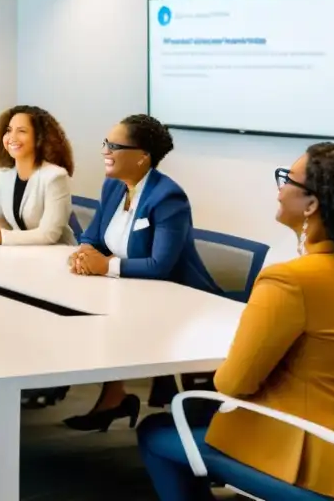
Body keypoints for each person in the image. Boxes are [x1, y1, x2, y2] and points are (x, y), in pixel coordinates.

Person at [137, 143, 334, 501]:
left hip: (312, 458)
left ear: (311, 204)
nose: (279, 188)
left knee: (157, 432)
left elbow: (232, 383)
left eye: (287, 179)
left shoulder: (290, 280)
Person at [63, 114, 218, 431]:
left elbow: (160, 265)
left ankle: (194, 423)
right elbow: (94, 234)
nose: (105, 151)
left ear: (142, 157)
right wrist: (84, 251)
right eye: (106, 143)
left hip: (181, 299)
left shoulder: (167, 197)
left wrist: (106, 266)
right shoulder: (113, 186)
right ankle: (114, 396)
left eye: (114, 146)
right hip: (131, 290)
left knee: (105, 320)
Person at [0, 105, 76, 246]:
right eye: (9, 130)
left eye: (22, 131)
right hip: (22, 252)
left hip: (56, 254)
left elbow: (49, 234)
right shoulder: (3, 174)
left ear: (39, 138)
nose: (12, 137)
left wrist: (0, 237)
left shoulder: (55, 177)